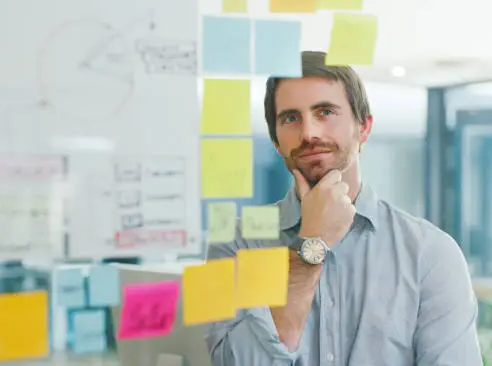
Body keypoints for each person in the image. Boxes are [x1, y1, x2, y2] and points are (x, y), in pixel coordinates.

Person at [205, 51, 483, 365]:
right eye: (291, 118)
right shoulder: (234, 245)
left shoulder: (430, 254)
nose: (309, 133)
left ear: (363, 128)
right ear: (276, 141)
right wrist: (312, 244)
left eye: (324, 111)